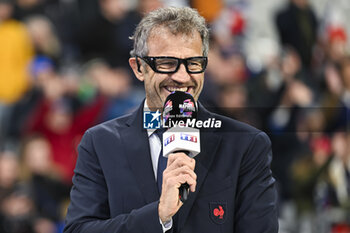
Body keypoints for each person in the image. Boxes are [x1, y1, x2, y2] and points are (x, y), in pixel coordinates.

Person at [64, 6, 278, 233]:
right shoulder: (100, 143)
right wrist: (156, 216)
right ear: (138, 68)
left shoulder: (246, 145)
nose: (182, 77)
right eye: (167, 63)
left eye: (193, 63)